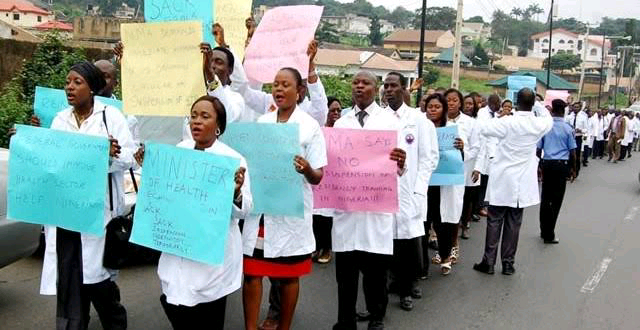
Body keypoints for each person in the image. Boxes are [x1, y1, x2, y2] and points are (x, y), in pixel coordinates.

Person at [133, 95, 252, 329]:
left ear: (219, 127)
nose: (196, 121)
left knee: (207, 316)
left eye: (205, 116)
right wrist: (149, 169)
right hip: (178, 246)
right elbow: (165, 194)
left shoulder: (232, 160)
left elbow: (245, 209)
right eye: (193, 116)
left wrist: (235, 193)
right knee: (175, 304)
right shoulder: (179, 151)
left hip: (209, 258)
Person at [38, 61, 133, 329]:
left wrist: (110, 156)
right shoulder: (60, 119)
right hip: (68, 215)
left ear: (91, 88)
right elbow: (52, 161)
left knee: (99, 284)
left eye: (77, 82)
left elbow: (130, 157)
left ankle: (115, 323)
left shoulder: (110, 117)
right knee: (70, 282)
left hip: (97, 215)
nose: (70, 87)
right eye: (68, 81)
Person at [242, 68, 327, 330]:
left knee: (289, 275)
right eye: (275, 85)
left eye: (285, 85)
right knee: (253, 273)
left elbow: (318, 176)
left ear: (300, 91)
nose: (278, 90)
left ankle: (284, 326)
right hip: (263, 210)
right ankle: (250, 327)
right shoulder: (262, 124)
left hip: (290, 212)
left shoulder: (310, 126)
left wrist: (306, 169)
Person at [331, 71, 406, 330]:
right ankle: (346, 321)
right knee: (345, 276)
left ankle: (376, 317)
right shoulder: (341, 124)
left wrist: (401, 163)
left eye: (366, 83)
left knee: (375, 274)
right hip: (348, 212)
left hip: (376, 210)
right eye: (356, 83)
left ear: (376, 89)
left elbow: (400, 167)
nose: (359, 87)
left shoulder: (389, 122)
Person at [473, 88, 552, 276]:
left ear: (516, 101)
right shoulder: (538, 123)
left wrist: (499, 115)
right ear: (532, 103)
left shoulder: (507, 122)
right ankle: (508, 263)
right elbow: (548, 118)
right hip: (522, 181)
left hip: (503, 178)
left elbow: (482, 128)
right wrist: (538, 105)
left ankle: (489, 262)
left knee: (494, 221)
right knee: (514, 223)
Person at [383, 72, 438, 311]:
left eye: (393, 86)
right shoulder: (377, 118)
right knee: (384, 242)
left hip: (408, 191)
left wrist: (418, 190)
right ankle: (386, 288)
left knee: (407, 243)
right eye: (385, 86)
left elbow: (429, 158)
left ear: (404, 89)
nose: (388, 90)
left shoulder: (419, 120)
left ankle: (406, 289)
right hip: (381, 191)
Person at [422, 93, 465, 276]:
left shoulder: (451, 130)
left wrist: (461, 148)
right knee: (423, 223)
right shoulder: (420, 128)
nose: (433, 109)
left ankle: (445, 255)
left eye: (437, 107)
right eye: (430, 106)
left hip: (443, 184)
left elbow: (459, 159)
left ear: (444, 110)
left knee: (442, 222)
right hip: (424, 183)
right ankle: (421, 265)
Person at [536, 99, 577, 245]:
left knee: (545, 198)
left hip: (547, 164)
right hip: (561, 166)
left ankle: (543, 230)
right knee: (556, 200)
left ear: (552, 110)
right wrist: (574, 169)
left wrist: (539, 166)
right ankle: (549, 233)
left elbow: (538, 149)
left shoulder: (546, 127)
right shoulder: (568, 128)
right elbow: (572, 151)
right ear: (564, 111)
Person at [444, 88, 479, 254]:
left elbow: (476, 147)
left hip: (458, 172)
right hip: (437, 173)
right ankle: (440, 247)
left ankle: (453, 245)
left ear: (460, 103)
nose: (451, 103)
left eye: (454, 100)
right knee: (437, 211)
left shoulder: (470, 122)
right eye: (448, 99)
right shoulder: (435, 119)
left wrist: (464, 150)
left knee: (454, 209)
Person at [312, 97, 343, 264]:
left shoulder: (346, 131)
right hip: (319, 178)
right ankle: (317, 247)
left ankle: (327, 248)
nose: (336, 113)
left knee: (329, 217)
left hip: (337, 180)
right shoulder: (318, 130)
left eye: (339, 110)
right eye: (333, 110)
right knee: (317, 215)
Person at [474, 94, 502, 218]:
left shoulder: (495, 115)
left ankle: (481, 205)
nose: (499, 107)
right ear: (492, 103)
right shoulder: (482, 113)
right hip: (482, 150)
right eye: (498, 104)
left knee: (485, 181)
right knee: (480, 182)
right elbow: (483, 131)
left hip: (491, 152)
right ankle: (477, 207)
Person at [566, 102, 588, 176]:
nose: (576, 108)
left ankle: (576, 171)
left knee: (577, 155)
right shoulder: (569, 117)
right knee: (569, 155)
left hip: (578, 137)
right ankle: (568, 172)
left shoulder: (583, 117)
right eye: (574, 107)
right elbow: (565, 125)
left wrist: (581, 130)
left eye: (577, 107)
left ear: (580, 108)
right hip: (570, 137)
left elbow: (586, 129)